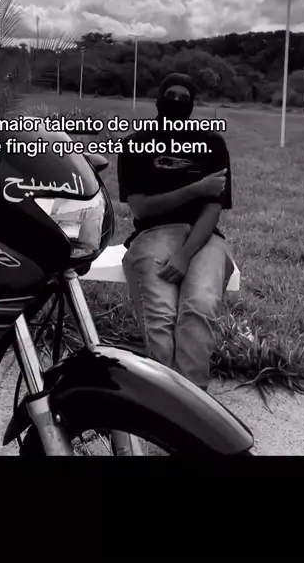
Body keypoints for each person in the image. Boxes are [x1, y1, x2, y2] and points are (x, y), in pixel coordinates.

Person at [117, 73, 234, 392]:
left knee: (199, 307)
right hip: (153, 234)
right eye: (171, 96)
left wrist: (184, 255)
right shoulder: (135, 144)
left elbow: (213, 208)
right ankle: (166, 398)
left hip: (204, 238)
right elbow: (141, 209)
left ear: (192, 106)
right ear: (158, 100)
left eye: (185, 99)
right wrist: (195, 188)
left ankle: (192, 400)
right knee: (161, 316)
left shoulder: (212, 144)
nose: (177, 103)